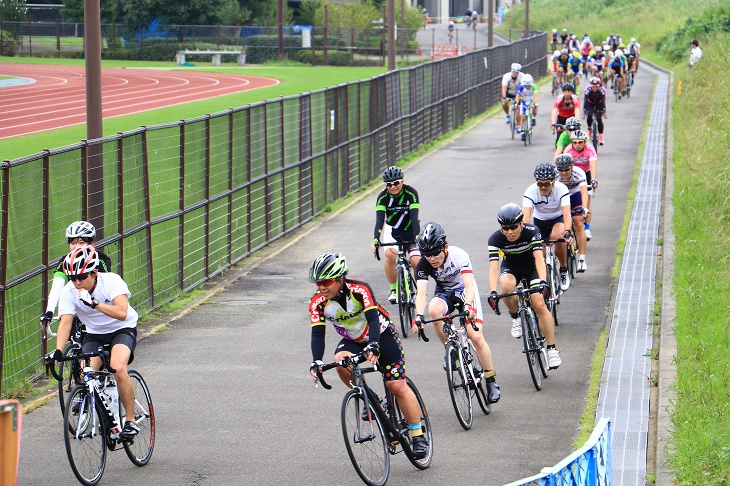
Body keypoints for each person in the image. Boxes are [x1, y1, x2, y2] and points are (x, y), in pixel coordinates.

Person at [307, 252, 429, 458]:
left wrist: (374, 345)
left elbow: (373, 319)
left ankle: (418, 435)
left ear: (339, 278)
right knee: (340, 363)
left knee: (396, 385)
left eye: (326, 281)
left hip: (381, 334)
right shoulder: (318, 302)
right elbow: (318, 333)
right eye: (318, 282)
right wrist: (316, 361)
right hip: (353, 340)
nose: (321, 287)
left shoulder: (359, 289)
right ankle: (369, 398)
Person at [45, 246, 140, 439]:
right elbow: (65, 322)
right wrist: (57, 351)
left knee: (117, 368)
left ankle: (130, 421)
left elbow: (122, 313)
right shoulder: (69, 292)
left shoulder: (111, 281)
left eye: (82, 277)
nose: (77, 283)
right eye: (73, 278)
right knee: (85, 373)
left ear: (95, 272)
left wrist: (94, 304)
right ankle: (107, 412)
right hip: (95, 333)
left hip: (122, 329)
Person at [411, 222, 500, 403]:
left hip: (465, 291)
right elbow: (421, 293)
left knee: (475, 336)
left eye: (436, 253)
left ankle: (491, 380)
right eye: (427, 255)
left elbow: (468, 284)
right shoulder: (423, 264)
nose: (432, 259)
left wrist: (468, 305)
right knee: (434, 310)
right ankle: (449, 350)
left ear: (445, 247)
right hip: (445, 292)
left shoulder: (459, 255)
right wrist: (418, 316)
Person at [486, 203, 562, 369]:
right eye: (505, 228)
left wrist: (543, 282)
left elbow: (538, 259)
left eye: (513, 227)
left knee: (539, 304)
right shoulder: (495, 239)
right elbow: (493, 268)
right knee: (506, 285)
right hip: (511, 268)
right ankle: (516, 318)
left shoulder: (532, 231)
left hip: (532, 268)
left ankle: (551, 349)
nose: (509, 232)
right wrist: (493, 292)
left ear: (521, 223)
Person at [40, 221, 112, 336]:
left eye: (81, 242)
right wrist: (49, 312)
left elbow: (106, 285)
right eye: (72, 243)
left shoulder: (101, 259)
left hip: (97, 308)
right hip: (76, 305)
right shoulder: (65, 261)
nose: (76, 247)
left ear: (91, 243)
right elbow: (57, 285)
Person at [372, 166, 421, 305]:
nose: (393, 187)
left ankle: (420, 291)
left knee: (416, 261)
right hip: (392, 230)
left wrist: (417, 236)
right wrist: (376, 238)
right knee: (389, 256)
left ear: (402, 181)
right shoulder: (382, 197)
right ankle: (394, 290)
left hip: (410, 229)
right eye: (389, 184)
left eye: (396, 183)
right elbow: (380, 220)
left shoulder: (411, 193)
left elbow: (414, 216)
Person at [523, 163, 573, 291]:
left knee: (558, 236)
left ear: (554, 182)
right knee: (541, 253)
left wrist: (568, 231)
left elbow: (567, 214)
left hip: (558, 218)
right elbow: (526, 217)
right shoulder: (531, 191)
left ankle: (563, 269)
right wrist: (525, 234)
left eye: (547, 184)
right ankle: (543, 280)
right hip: (540, 221)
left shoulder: (561, 189)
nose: (543, 187)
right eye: (540, 184)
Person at [555, 154, 589, 272]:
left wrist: (584, 208)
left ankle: (582, 259)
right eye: (561, 170)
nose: (563, 173)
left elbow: (584, 193)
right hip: (560, 198)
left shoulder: (579, 173)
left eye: (566, 170)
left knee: (579, 222)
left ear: (572, 166)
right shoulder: (554, 175)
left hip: (575, 196)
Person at [564, 130, 598, 241]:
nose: (577, 144)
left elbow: (592, 165)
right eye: (575, 142)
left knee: (586, 199)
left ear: (585, 142)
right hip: (573, 174)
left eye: (580, 142)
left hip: (586, 174)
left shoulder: (590, 149)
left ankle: (587, 227)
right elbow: (564, 165)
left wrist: (593, 180)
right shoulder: (568, 150)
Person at [583, 76, 607, 145]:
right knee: (589, 115)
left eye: (596, 87)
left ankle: (601, 137)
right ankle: (589, 129)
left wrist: (604, 112)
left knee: (599, 118)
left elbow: (603, 102)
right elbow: (585, 102)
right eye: (593, 87)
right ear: (591, 86)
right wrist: (584, 112)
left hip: (599, 104)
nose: (595, 88)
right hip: (590, 103)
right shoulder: (587, 90)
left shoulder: (601, 91)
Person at [515, 74, 538, 139]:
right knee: (522, 116)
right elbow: (517, 96)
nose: (527, 87)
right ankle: (522, 131)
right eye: (526, 85)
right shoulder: (521, 87)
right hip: (523, 101)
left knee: (535, 106)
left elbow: (536, 97)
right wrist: (517, 103)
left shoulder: (534, 87)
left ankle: (533, 117)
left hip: (531, 100)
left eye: (529, 85)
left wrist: (533, 103)